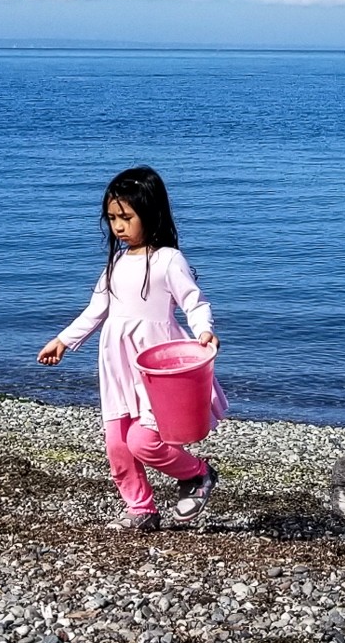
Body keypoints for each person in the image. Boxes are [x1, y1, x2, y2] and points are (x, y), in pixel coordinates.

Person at [37, 166, 227, 530]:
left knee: (144, 440)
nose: (118, 227)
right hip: (117, 365)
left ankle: (196, 473)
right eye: (112, 219)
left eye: (126, 217)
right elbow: (96, 310)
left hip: (157, 368)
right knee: (117, 444)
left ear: (150, 213)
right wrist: (63, 340)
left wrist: (204, 330)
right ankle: (140, 509)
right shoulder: (116, 263)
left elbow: (194, 301)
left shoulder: (168, 259)